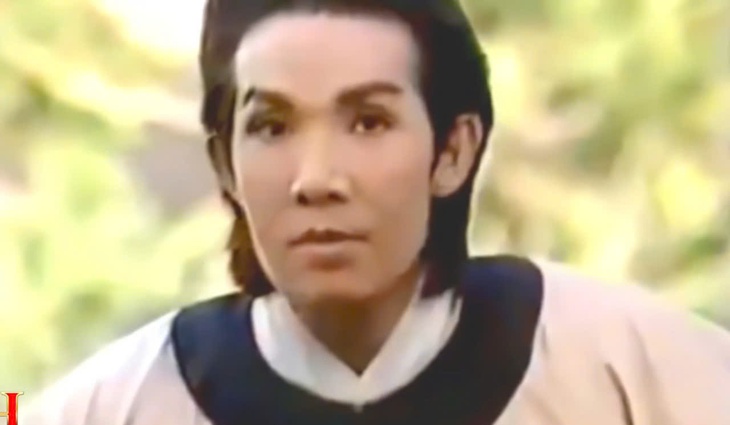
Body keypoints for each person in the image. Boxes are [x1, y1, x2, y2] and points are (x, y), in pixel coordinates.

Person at [23, 0, 730, 424]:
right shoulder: (113, 405)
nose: (316, 179)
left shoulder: (633, 371)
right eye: (272, 126)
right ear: (225, 164)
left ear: (453, 149)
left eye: (368, 121)